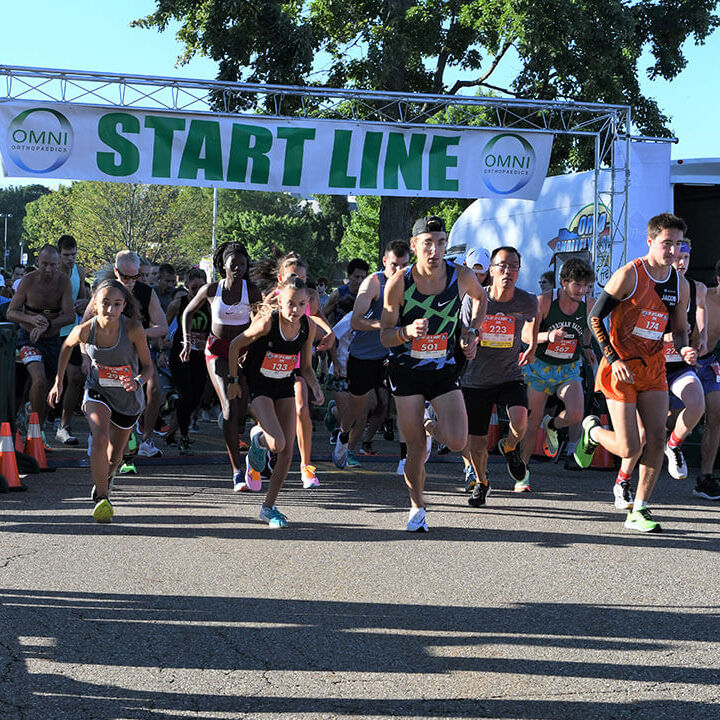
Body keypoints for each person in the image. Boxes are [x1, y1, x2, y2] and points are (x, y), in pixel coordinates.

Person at [577, 212, 695, 533]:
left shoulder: (680, 285)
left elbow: (681, 329)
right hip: (621, 366)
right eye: (666, 243)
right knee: (630, 448)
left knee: (656, 437)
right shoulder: (630, 275)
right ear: (650, 241)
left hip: (653, 367)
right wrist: (613, 359)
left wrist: (684, 347)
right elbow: (595, 319)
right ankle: (593, 432)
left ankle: (639, 509)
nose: (672, 251)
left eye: (678, 245)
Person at [380, 216, 487, 532]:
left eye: (440, 242)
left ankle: (429, 424)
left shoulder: (461, 275)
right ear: (414, 246)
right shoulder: (399, 283)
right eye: (428, 243)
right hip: (407, 371)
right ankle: (417, 508)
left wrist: (472, 330)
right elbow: (385, 335)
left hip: (442, 367)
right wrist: (406, 331)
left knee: (457, 440)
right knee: (414, 448)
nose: (435, 250)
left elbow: (481, 298)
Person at [48, 279, 152, 523]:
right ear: (95, 304)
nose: (110, 309)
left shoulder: (133, 329)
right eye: (105, 303)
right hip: (97, 391)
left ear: (124, 306)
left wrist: (137, 381)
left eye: (116, 304)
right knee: (99, 435)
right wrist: (58, 382)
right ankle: (103, 499)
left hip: (128, 398)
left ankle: (106, 477)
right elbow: (66, 347)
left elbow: (148, 368)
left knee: (115, 456)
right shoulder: (86, 329)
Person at [227, 275, 323, 526]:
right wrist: (233, 380)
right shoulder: (268, 323)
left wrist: (315, 386)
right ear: (281, 300)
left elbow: (306, 366)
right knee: (278, 442)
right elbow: (236, 345)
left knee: (287, 452)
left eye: (302, 304)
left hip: (285, 387)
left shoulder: (307, 327)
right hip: (259, 387)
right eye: (291, 303)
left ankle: (268, 507)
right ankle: (257, 439)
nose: (296, 310)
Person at [181, 241, 261, 490]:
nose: (238, 267)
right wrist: (186, 341)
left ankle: (241, 438)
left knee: (241, 409)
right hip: (216, 350)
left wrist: (255, 346)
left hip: (243, 352)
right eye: (233, 264)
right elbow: (187, 312)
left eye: (243, 264)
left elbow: (260, 321)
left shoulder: (253, 291)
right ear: (223, 266)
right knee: (228, 405)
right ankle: (237, 471)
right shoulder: (211, 289)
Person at [462, 247, 538, 506]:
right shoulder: (474, 298)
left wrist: (533, 347)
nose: (508, 272)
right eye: (503, 266)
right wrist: (467, 344)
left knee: (520, 420)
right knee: (477, 441)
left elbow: (533, 320)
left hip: (509, 374)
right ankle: (482, 482)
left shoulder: (527, 300)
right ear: (491, 270)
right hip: (476, 378)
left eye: (514, 266)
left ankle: (509, 447)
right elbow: (463, 331)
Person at [333, 240, 411, 469]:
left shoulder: (411, 281)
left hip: (395, 353)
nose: (399, 270)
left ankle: (405, 459)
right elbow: (356, 322)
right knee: (359, 409)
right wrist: (386, 326)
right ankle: (343, 437)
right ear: (385, 261)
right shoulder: (373, 283)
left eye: (404, 265)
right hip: (365, 356)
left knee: (403, 402)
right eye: (395, 265)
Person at [519, 258, 596, 487]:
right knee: (531, 423)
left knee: (575, 415)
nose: (582, 291)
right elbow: (525, 336)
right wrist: (548, 337)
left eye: (586, 286)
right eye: (577, 286)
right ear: (563, 282)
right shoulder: (543, 301)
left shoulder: (589, 304)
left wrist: (588, 347)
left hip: (568, 368)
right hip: (540, 368)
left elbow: (587, 329)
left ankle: (551, 425)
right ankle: (523, 472)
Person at [7, 245, 74, 428]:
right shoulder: (27, 281)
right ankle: (34, 428)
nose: (48, 270)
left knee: (49, 387)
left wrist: (47, 324)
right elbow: (11, 312)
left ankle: (37, 425)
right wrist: (32, 319)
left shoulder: (63, 282)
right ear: (37, 262)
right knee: (39, 379)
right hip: (28, 338)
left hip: (51, 339)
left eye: (53, 265)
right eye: (44, 264)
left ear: (58, 264)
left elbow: (70, 316)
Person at [111, 251, 169, 458]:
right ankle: (114, 440)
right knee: (122, 395)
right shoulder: (106, 291)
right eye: (125, 277)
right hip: (113, 353)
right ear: (116, 272)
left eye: (135, 276)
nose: (130, 281)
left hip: (140, 350)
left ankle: (146, 438)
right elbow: (87, 324)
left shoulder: (146, 292)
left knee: (155, 391)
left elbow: (162, 327)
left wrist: (139, 334)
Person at [167, 267, 210, 455]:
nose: (197, 293)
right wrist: (161, 349)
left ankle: (172, 429)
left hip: (201, 356)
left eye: (201, 288)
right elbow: (164, 326)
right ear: (186, 287)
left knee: (195, 398)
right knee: (186, 395)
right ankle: (184, 437)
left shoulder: (211, 305)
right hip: (181, 354)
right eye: (194, 289)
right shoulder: (178, 304)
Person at [55, 234, 90, 446]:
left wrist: (83, 302)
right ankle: (33, 416)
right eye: (67, 255)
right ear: (59, 255)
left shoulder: (79, 271)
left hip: (73, 332)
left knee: (75, 377)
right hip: (54, 332)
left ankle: (64, 426)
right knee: (49, 379)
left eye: (74, 254)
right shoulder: (53, 273)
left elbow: (86, 297)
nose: (71, 259)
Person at [690, 257, 720, 500]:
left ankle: (705, 479)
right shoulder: (702, 296)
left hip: (709, 362)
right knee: (668, 422)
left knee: (716, 414)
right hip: (679, 364)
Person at [324, 259, 369, 324]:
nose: (359, 281)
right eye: (356, 277)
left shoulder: (369, 295)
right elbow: (323, 315)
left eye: (363, 277)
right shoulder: (338, 294)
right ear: (349, 276)